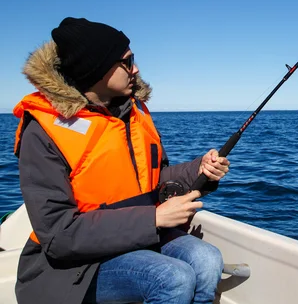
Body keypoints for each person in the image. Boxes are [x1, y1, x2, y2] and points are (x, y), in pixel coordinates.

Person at [13, 17, 230, 304]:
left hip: (134, 239)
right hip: (71, 267)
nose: (136, 69)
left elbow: (155, 180)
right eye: (127, 62)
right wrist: (153, 219)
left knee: (207, 258)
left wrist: (199, 169)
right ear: (97, 68)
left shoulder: (134, 112)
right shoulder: (42, 132)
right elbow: (58, 236)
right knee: (171, 277)